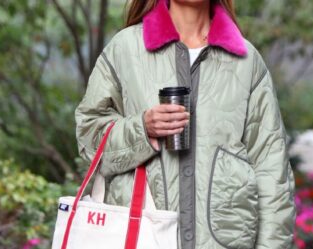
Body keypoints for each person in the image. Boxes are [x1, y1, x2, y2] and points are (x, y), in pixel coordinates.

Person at [75, 0, 296, 248]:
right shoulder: (125, 49)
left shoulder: (246, 61)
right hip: (142, 239)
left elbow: (272, 170)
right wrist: (143, 130)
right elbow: (89, 135)